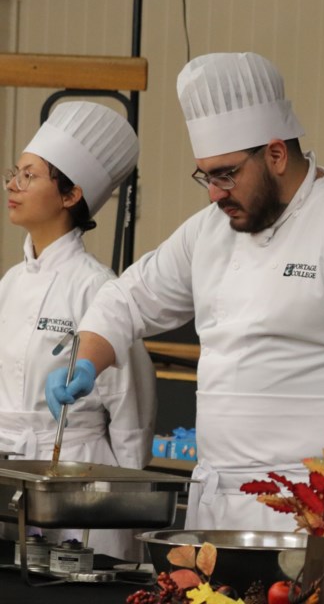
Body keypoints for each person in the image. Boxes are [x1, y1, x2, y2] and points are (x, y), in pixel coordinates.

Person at [43, 53, 324, 540]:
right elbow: (128, 299)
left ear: (276, 155)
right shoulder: (210, 231)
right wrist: (88, 361)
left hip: (315, 512)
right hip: (217, 504)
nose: (214, 194)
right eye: (206, 176)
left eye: (225, 174)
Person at [0, 101, 156, 560]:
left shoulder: (99, 288)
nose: (13, 184)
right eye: (15, 172)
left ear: (70, 196)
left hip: (83, 482)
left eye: (30, 175)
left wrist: (128, 504)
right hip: (13, 476)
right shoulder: (9, 283)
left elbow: (133, 409)